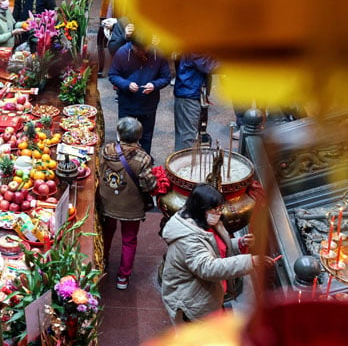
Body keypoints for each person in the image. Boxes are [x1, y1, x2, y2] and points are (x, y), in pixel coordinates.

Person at [161, 183, 273, 323]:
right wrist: (249, 262)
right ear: (202, 209)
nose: (219, 213)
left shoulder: (206, 223)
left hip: (208, 295)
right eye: (215, 209)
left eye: (220, 208)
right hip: (193, 303)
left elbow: (214, 248)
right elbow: (209, 267)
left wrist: (239, 243)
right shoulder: (188, 241)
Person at [98, 117, 157, 290]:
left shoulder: (106, 150)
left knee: (107, 233)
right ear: (139, 136)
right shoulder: (143, 158)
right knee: (129, 240)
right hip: (131, 206)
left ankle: (103, 261)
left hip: (108, 201)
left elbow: (101, 170)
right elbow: (149, 185)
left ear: (118, 133)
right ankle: (123, 277)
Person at [108, 33, 171, 154]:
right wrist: (126, 84)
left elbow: (166, 77)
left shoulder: (158, 53)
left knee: (146, 137)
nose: (141, 52)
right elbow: (113, 75)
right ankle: (123, 162)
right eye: (138, 50)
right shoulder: (122, 53)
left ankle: (144, 162)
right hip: (127, 103)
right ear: (132, 45)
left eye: (145, 49)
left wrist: (154, 85)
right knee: (124, 136)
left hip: (148, 104)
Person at [174, 54, 220, 151]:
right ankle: (184, 163)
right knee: (186, 139)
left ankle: (186, 161)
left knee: (189, 135)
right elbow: (209, 66)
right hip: (188, 96)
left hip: (193, 93)